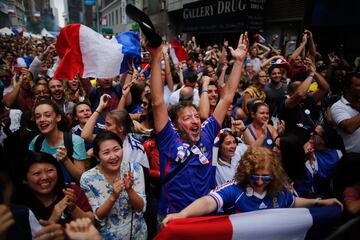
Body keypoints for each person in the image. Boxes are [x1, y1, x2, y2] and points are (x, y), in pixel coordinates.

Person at [148, 32, 249, 219]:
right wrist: (155, 58)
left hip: (204, 216)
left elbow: (227, 98)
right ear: (176, 126)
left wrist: (239, 62)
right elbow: (157, 102)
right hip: (172, 217)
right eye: (187, 118)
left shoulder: (208, 133)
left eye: (196, 116)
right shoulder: (169, 138)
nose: (195, 120)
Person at [162, 146, 343, 226]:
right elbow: (209, 202)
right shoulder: (234, 190)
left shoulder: (278, 190)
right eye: (255, 176)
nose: (259, 182)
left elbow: (293, 203)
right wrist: (182, 214)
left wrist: (320, 202)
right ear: (247, 172)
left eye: (266, 178)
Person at [80, 131, 147, 240]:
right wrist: (113, 196)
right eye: (106, 153)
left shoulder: (134, 169)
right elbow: (97, 217)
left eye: (116, 149)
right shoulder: (88, 178)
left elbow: (141, 208)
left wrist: (130, 190)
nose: (113, 156)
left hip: (137, 234)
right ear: (97, 157)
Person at [15, 151, 93, 225]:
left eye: (50, 170)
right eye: (37, 173)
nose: (45, 177)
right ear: (24, 179)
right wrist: (54, 217)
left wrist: (73, 208)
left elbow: (92, 224)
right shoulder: (20, 207)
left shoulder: (71, 191)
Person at [29, 99, 87, 182]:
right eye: (38, 117)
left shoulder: (75, 141)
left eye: (47, 115)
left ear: (58, 117)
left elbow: (82, 179)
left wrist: (66, 161)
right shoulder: (36, 142)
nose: (42, 120)